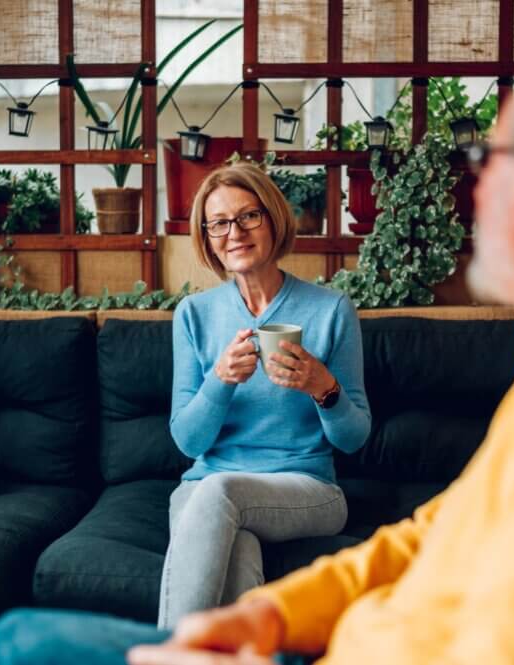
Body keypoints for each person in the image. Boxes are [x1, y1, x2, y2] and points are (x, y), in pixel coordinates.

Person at [0, 37, 514, 665]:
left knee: (18, 646)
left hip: (350, 610)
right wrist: (270, 614)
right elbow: (438, 532)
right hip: (322, 609)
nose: (471, 190)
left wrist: (325, 388)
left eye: (485, 161)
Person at [159, 162, 371, 629]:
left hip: (307, 488)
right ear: (206, 236)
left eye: (248, 216)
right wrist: (221, 380)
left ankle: (166, 655)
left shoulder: (331, 309)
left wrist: (323, 387)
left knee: (218, 494)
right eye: (218, 223)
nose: (234, 232)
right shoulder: (193, 314)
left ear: (273, 219)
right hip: (207, 486)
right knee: (237, 553)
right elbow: (188, 442)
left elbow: (354, 438)